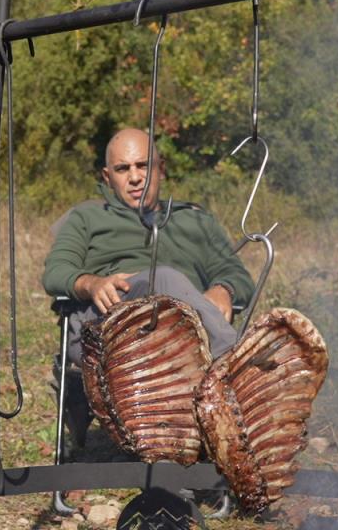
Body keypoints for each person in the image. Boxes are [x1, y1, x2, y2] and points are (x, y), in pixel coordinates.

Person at [42, 127, 256, 452]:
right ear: (107, 176)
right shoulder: (87, 218)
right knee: (163, 279)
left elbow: (238, 277)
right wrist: (91, 283)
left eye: (143, 166)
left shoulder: (195, 221)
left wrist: (224, 290)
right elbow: (56, 273)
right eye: (123, 169)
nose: (135, 177)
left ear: (161, 168)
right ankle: (245, 377)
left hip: (183, 332)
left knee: (170, 285)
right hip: (106, 325)